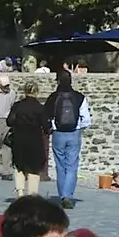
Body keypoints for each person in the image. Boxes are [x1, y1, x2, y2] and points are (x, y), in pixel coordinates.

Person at [43, 69, 89, 209]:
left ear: (57, 80)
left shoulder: (53, 97)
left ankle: (63, 194)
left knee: (60, 165)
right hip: (74, 133)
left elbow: (46, 116)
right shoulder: (79, 97)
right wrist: (78, 128)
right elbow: (86, 120)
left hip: (58, 134)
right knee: (72, 166)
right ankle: (68, 195)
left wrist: (51, 128)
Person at [6, 82, 50, 199]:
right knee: (34, 167)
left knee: (19, 165)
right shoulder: (40, 108)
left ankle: (20, 191)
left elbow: (9, 121)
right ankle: (32, 193)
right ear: (36, 92)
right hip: (34, 139)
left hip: (19, 138)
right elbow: (46, 125)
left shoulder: (17, 106)